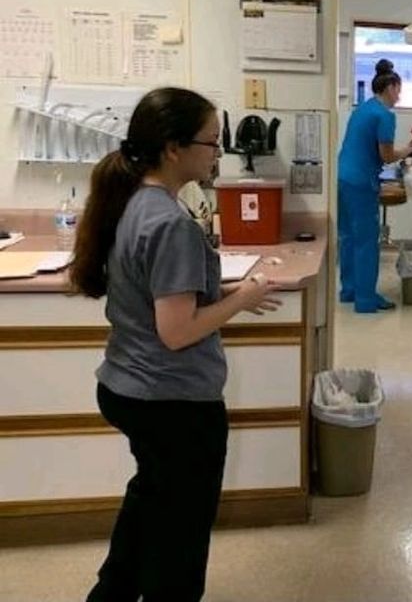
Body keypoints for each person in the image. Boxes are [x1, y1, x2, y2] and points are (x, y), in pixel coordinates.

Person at [69, 87, 282, 602]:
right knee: (180, 536)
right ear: (172, 148)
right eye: (211, 142)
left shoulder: (135, 203)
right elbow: (177, 331)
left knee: (150, 501)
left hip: (129, 387)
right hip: (172, 404)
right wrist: (242, 297)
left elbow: (164, 298)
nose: (218, 153)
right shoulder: (170, 223)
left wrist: (226, 295)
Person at [337, 59, 412, 312]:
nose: (399, 96)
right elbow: (387, 156)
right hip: (360, 183)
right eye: (398, 90)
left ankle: (349, 291)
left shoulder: (364, 108)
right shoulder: (384, 115)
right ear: (390, 87)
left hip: (342, 177)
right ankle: (366, 300)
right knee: (366, 241)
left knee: (348, 237)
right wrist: (410, 147)